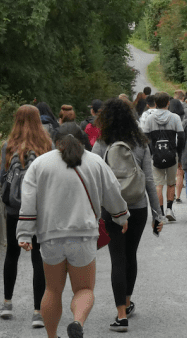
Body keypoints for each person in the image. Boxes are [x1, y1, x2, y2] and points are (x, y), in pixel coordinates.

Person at [17, 127, 130, 338]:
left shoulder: (40, 164)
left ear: (55, 141)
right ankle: (77, 323)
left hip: (50, 236)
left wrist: (24, 234)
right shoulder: (95, 162)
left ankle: (52, 336)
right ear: (83, 141)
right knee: (84, 289)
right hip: (84, 235)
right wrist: (121, 217)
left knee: (52, 290)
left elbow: (28, 201)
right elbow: (113, 193)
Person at [92, 97, 165, 332]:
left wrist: (93, 213)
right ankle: (127, 301)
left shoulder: (102, 143)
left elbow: (93, 181)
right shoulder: (140, 143)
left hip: (111, 209)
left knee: (117, 259)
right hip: (137, 207)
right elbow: (149, 179)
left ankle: (121, 315)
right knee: (130, 255)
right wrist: (158, 214)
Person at [0, 104, 53, 327]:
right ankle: (38, 312)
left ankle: (7, 304)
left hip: (14, 210)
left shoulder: (9, 146)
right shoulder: (46, 145)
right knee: (38, 256)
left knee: (12, 253)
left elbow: (2, 177)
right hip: (40, 209)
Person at [141, 91, 184, 222]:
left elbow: (145, 139)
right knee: (171, 183)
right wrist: (179, 153)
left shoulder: (149, 119)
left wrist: (151, 153)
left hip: (156, 156)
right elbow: (181, 137)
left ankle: (160, 213)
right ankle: (169, 209)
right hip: (172, 154)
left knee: (158, 184)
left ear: (155, 103)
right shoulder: (175, 118)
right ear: (168, 103)